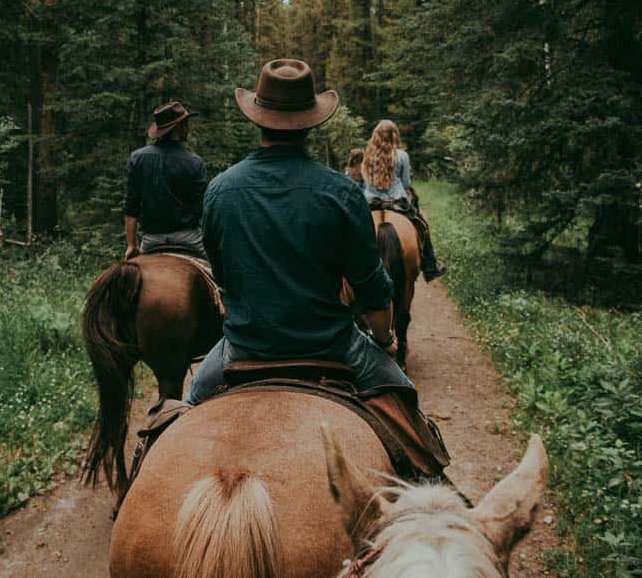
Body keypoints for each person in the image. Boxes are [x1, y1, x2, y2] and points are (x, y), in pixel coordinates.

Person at [187, 58, 413, 405]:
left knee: (188, 408)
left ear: (257, 118)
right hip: (333, 346)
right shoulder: (342, 193)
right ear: (311, 123)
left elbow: (223, 275)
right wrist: (384, 340)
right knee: (407, 402)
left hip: (244, 347)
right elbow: (370, 288)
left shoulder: (220, 190)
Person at [123, 101, 208, 260]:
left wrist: (131, 245)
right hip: (189, 239)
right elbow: (203, 209)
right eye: (186, 123)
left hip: (151, 240)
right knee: (218, 276)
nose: (188, 128)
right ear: (179, 127)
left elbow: (131, 207)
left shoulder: (137, 158)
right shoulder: (195, 163)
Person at [362, 119, 445, 281]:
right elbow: (406, 183)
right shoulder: (402, 156)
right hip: (397, 202)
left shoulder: (368, 155)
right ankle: (430, 265)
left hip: (370, 202)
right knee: (421, 224)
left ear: (375, 136)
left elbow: (366, 182)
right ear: (395, 136)